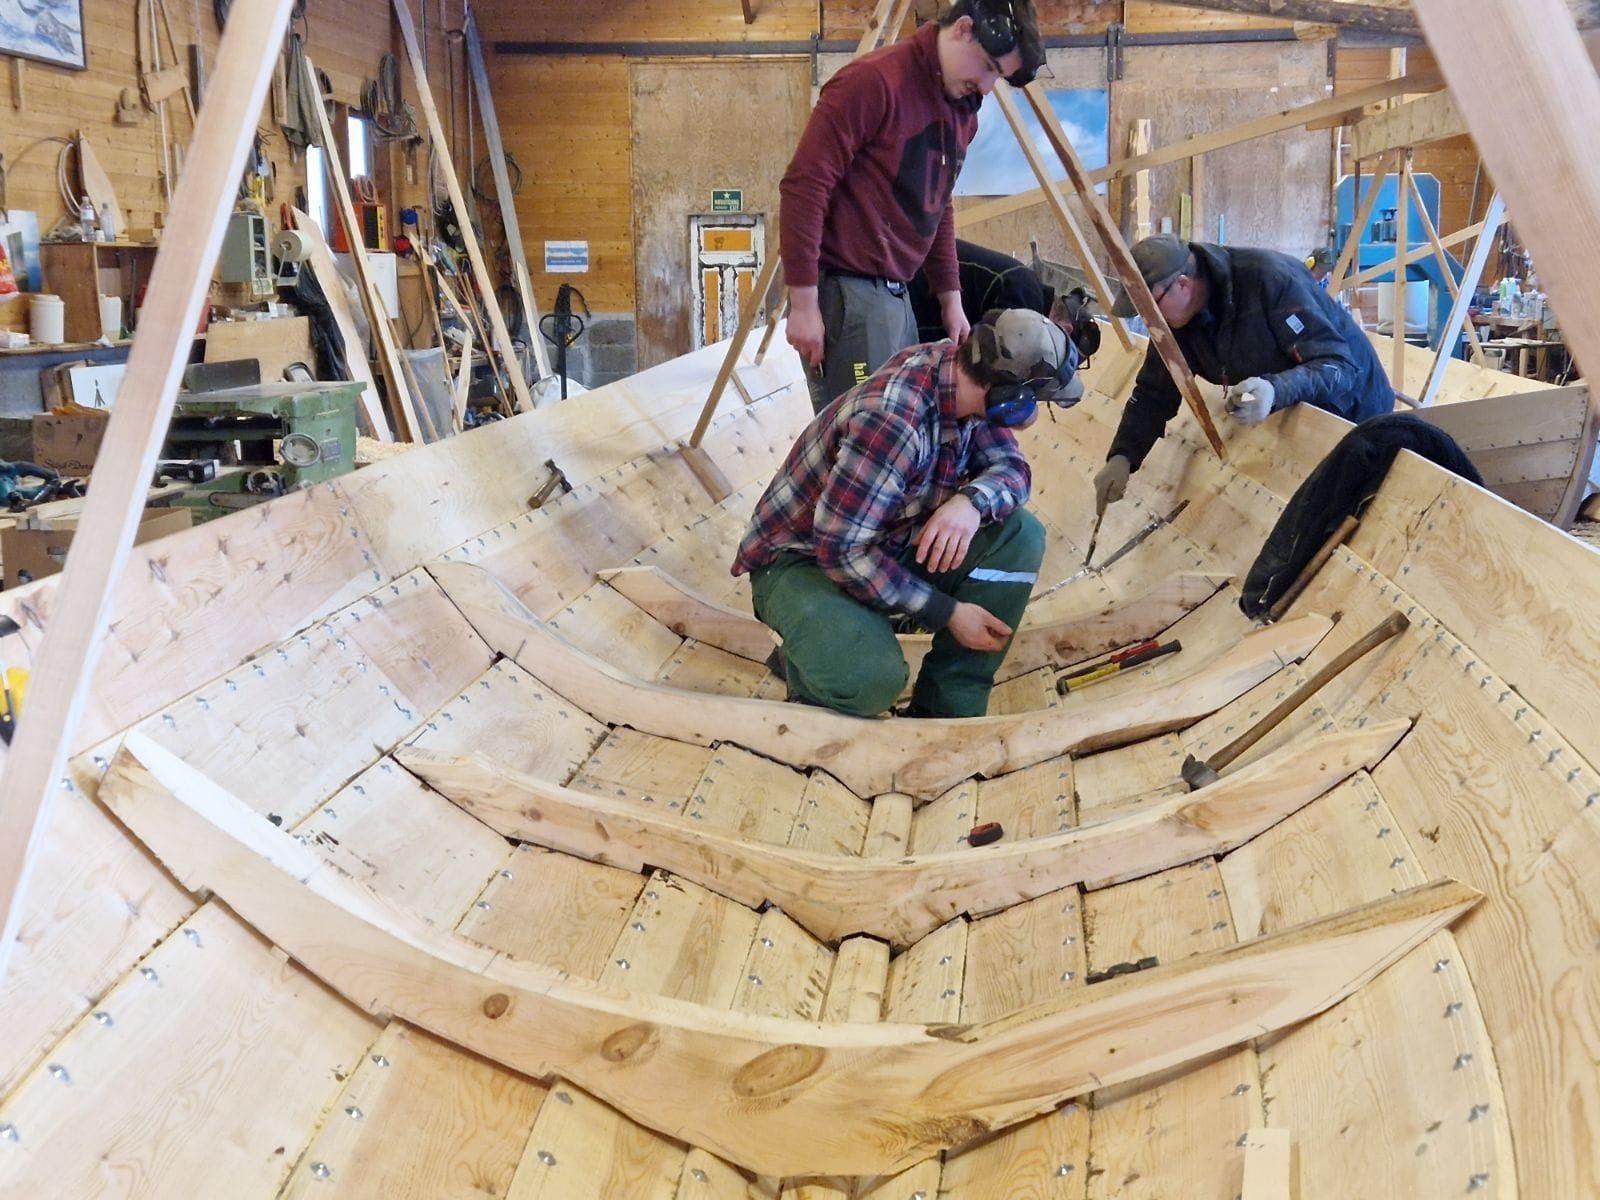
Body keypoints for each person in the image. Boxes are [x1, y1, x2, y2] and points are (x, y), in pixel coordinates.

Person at [732, 309, 1082, 719]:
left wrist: (969, 503)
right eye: (1034, 402)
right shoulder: (895, 422)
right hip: (801, 562)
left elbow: (1014, 470)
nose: (1034, 416)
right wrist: (947, 613)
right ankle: (810, 660)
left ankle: (945, 710)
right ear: (1010, 397)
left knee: (1019, 536)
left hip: (879, 541)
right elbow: (842, 552)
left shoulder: (961, 378)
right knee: (869, 681)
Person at [778, 0, 1044, 413]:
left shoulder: (961, 114)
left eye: (999, 77)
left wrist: (950, 300)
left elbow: (937, 207)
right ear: (963, 29)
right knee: (865, 437)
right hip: (850, 294)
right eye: (989, 67)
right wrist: (803, 305)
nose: (989, 87)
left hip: (897, 295)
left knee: (893, 425)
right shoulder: (872, 83)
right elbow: (804, 186)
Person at [1094, 234, 1394, 517]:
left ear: (1183, 284)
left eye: (1150, 308)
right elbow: (1154, 392)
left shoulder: (1269, 280)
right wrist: (1123, 456)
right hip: (1292, 414)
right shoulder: (1174, 320)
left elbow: (1339, 366)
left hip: (1355, 411)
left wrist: (1275, 390)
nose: (1148, 321)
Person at [909, 239, 1055, 342]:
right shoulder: (1027, 302)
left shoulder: (1030, 289)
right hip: (914, 283)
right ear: (1066, 329)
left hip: (921, 282)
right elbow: (983, 356)